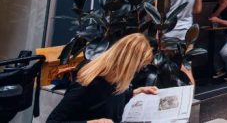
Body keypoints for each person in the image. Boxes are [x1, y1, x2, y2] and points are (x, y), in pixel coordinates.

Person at [47, 34, 191, 123]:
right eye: (139, 66)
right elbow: (53, 121)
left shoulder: (116, 81)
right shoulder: (87, 84)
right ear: (127, 64)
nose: (139, 71)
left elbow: (111, 99)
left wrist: (134, 93)